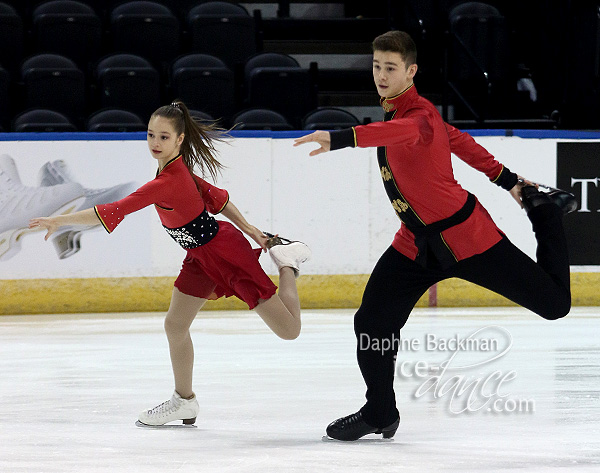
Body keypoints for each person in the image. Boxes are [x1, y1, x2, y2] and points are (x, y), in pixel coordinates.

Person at [294, 30, 576, 441]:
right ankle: (380, 411)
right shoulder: (405, 113)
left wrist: (340, 138)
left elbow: (403, 134)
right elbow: (460, 142)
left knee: (555, 306)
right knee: (372, 321)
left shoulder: (418, 116)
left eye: (391, 68)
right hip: (414, 243)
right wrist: (510, 180)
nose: (381, 76)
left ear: (411, 70)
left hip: (467, 239)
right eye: (376, 67)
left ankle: (546, 214)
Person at [29, 100, 311, 427]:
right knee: (175, 325)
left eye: (163, 137)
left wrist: (59, 221)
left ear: (179, 140)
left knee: (289, 330)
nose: (155, 143)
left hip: (225, 255)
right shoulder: (174, 169)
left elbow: (113, 209)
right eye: (151, 135)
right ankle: (184, 401)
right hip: (199, 256)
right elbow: (216, 197)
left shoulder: (167, 180)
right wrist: (251, 229)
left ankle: (287, 263)